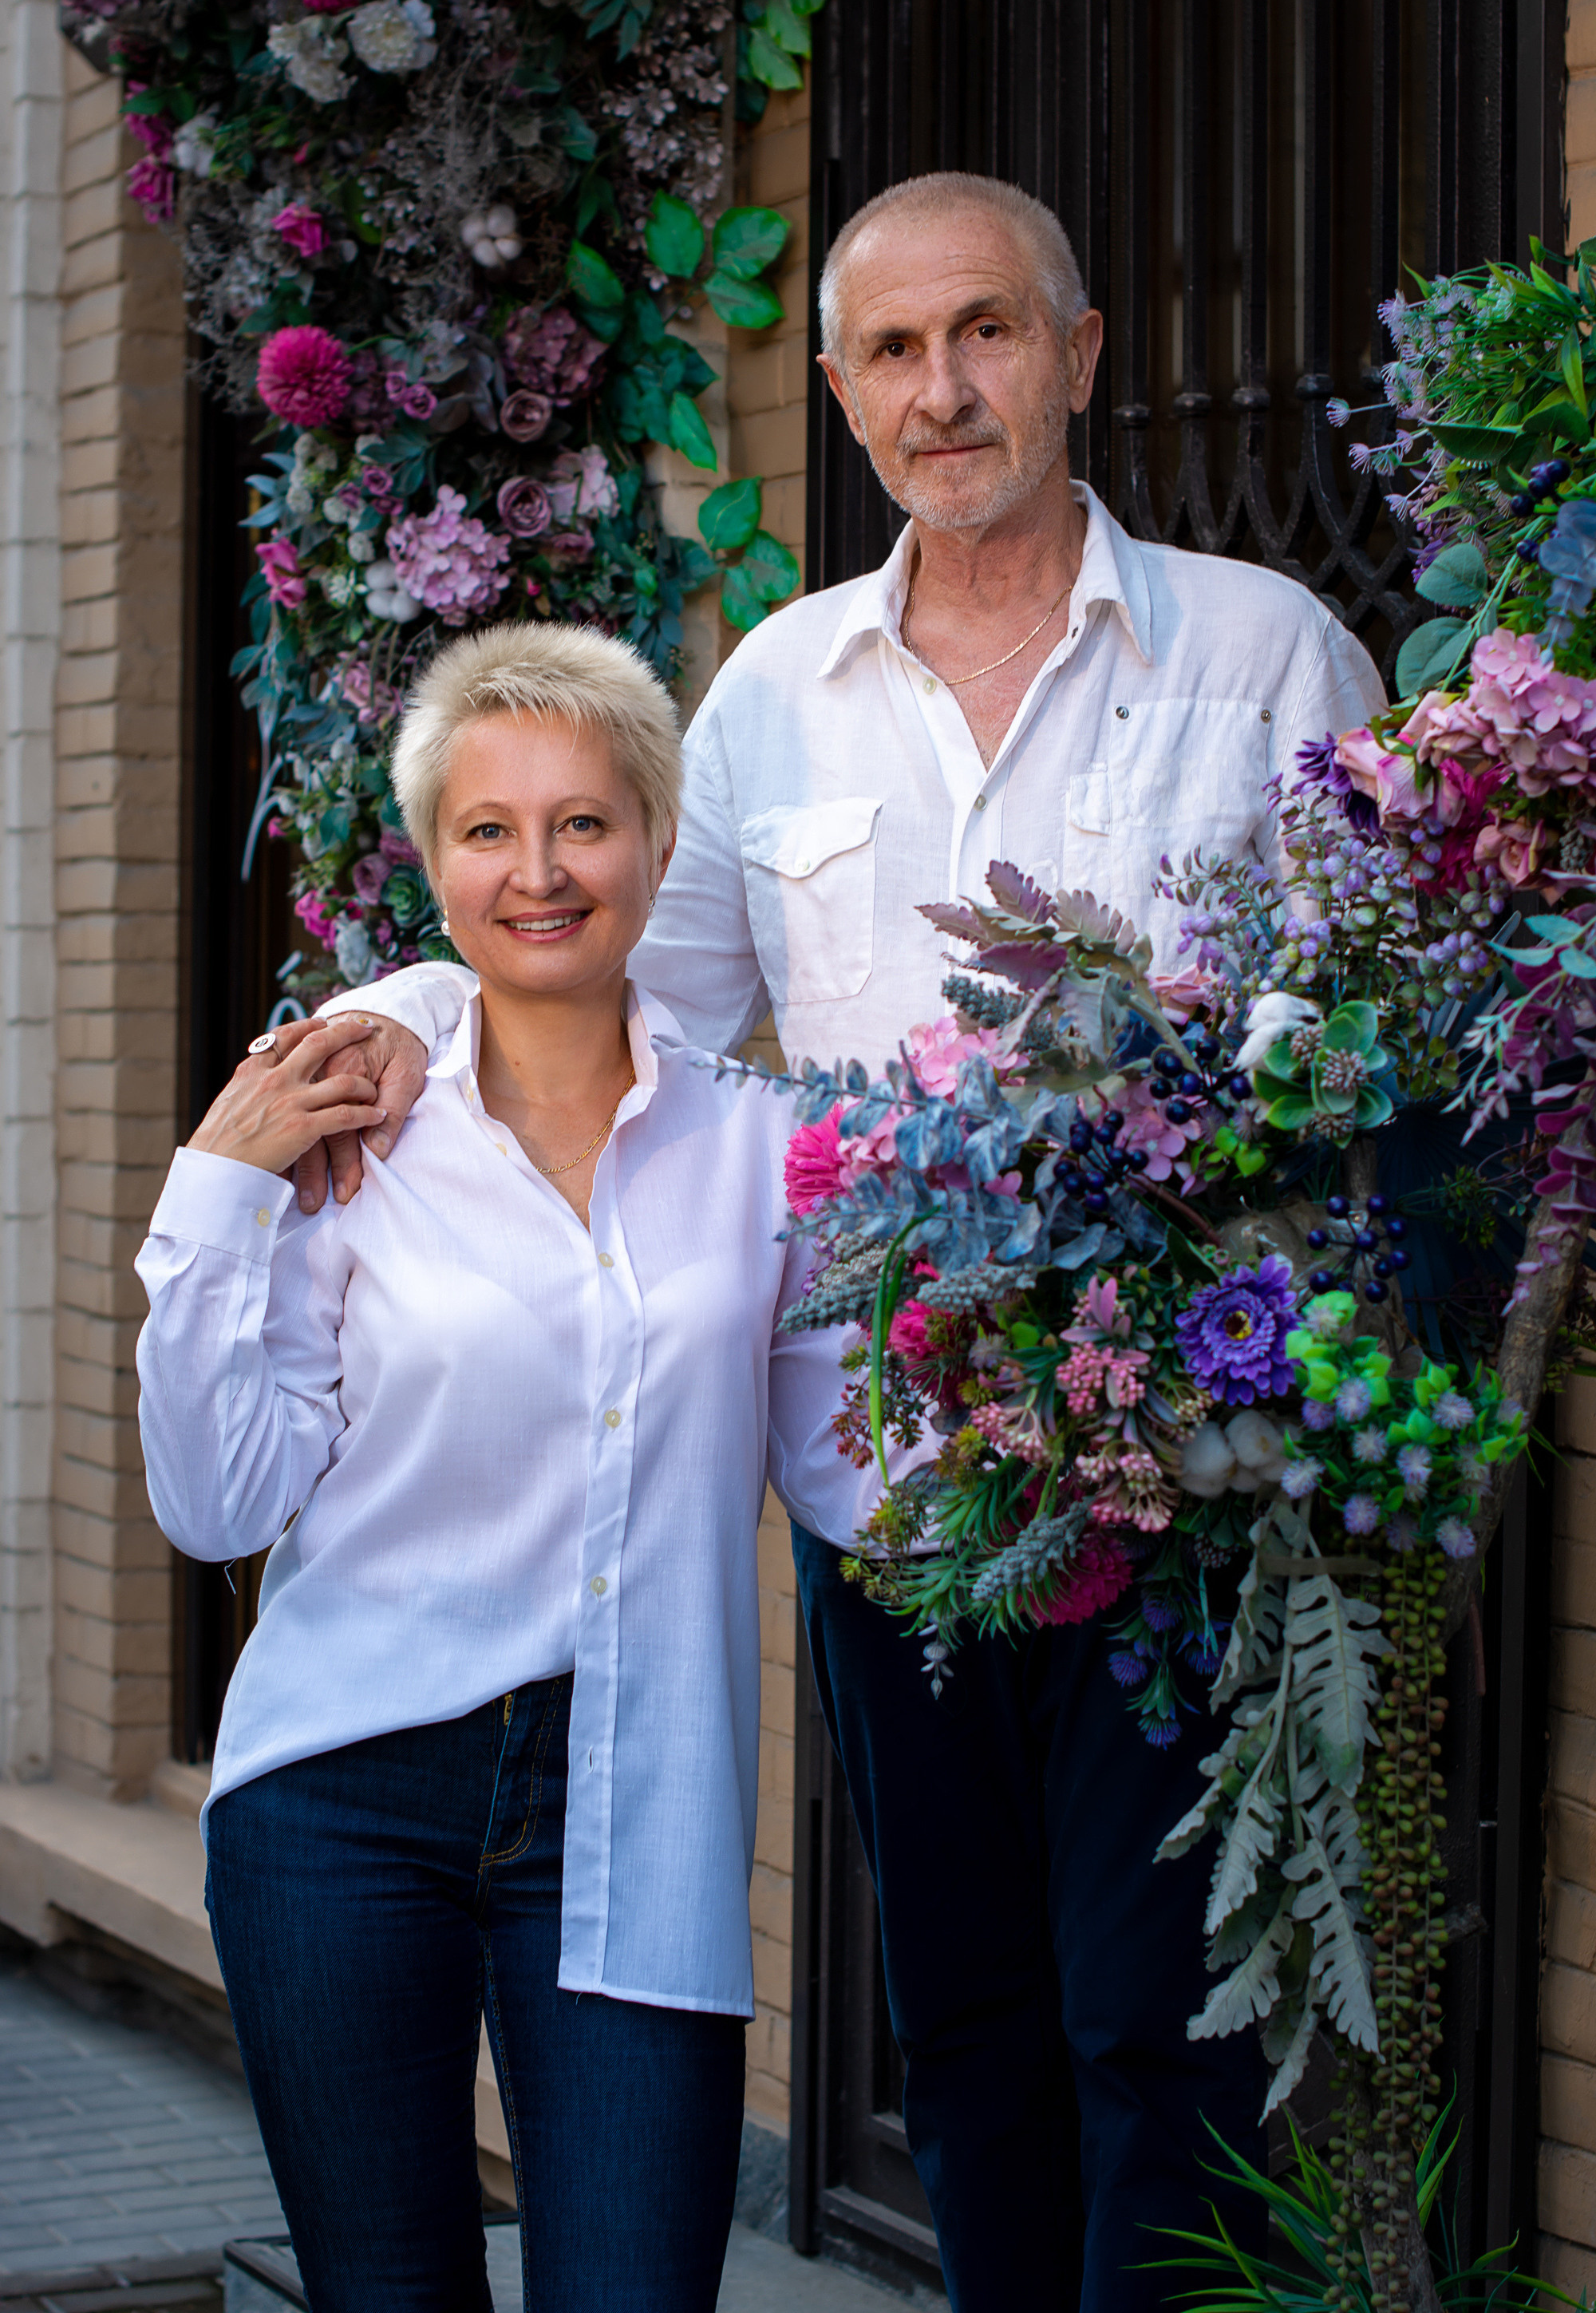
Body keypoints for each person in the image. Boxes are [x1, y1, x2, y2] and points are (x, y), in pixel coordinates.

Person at [300, 174, 1388, 2311]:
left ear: (1080, 352)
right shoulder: (775, 697)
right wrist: (376, 1048)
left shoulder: (1267, 655)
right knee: (971, 2020)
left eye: (986, 331)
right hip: (899, 1481)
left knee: (1165, 2027)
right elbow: (641, 1018)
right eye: (893, 351)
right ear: (838, 395)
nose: (945, 387)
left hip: (1195, 1472)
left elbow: (1378, 1037)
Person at [134, 623, 879, 2313]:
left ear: (658, 844)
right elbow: (216, 1505)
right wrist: (213, 1196)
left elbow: (860, 1477)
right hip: (341, 1795)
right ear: (434, 862)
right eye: (487, 830)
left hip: (633, 1794)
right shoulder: (353, 1135)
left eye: (583, 823)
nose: (537, 871)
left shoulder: (768, 1150)